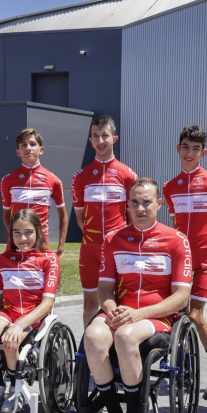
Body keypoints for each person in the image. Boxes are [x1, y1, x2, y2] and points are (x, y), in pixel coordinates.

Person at [84, 178, 191, 413]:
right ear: (127, 205)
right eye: (135, 202)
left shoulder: (176, 240)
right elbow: (105, 288)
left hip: (157, 316)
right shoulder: (114, 239)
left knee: (126, 335)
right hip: (121, 311)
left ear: (159, 204)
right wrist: (112, 309)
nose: (140, 208)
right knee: (93, 336)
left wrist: (138, 314)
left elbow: (181, 296)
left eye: (147, 202)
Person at [162, 125, 207, 400]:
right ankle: (187, 369)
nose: (190, 153)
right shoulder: (169, 187)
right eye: (185, 147)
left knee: (195, 315)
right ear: (178, 149)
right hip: (179, 261)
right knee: (179, 316)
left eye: (196, 149)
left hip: (204, 258)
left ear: (204, 152)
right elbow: (175, 225)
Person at [0, 209, 60, 413]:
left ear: (38, 232)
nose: (22, 238)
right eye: (16, 233)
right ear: (10, 234)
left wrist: (20, 325)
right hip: (9, 311)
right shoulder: (1, 259)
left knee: (10, 341)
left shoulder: (49, 259)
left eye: (28, 232)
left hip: (34, 314)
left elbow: (47, 304)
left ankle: (15, 389)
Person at [71, 115, 137, 328]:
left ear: (114, 138)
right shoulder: (80, 177)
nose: (100, 141)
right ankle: (90, 355)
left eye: (105, 136)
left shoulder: (128, 175)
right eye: (96, 136)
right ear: (90, 140)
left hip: (117, 249)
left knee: (117, 304)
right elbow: (80, 219)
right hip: (89, 249)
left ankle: (116, 349)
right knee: (90, 304)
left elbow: (132, 218)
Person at [0, 128, 67, 257]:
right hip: (15, 246)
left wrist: (61, 245)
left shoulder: (54, 180)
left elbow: (63, 216)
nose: (28, 148)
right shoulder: (7, 180)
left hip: (41, 244)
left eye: (32, 144)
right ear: (18, 152)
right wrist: (18, 236)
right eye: (23, 145)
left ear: (41, 150)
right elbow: (6, 215)